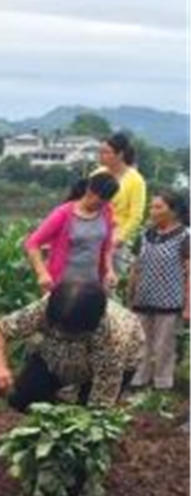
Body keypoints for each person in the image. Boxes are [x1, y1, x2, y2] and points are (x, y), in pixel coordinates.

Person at [0, 280, 144, 412]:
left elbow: (102, 402)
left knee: (87, 414)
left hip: (120, 357)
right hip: (53, 354)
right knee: (22, 401)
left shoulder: (112, 337)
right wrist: (0, 368)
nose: (60, 334)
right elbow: (0, 331)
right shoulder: (49, 307)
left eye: (68, 333)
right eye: (57, 329)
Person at [128, 190, 189, 391]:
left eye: (158, 207)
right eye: (151, 206)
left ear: (173, 211)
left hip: (170, 301)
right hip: (143, 298)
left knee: (164, 346)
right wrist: (131, 294)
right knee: (140, 343)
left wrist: (188, 305)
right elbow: (136, 267)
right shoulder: (145, 235)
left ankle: (162, 384)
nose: (152, 211)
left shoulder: (184, 237)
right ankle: (138, 379)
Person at [25, 172, 119, 292]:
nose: (101, 206)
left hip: (92, 283)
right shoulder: (63, 214)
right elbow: (32, 243)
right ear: (89, 192)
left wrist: (109, 270)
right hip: (62, 284)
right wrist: (42, 273)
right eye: (99, 203)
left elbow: (107, 247)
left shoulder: (106, 212)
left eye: (105, 203)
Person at [96, 132, 147, 270]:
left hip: (116, 238)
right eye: (100, 152)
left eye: (106, 152)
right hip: (93, 234)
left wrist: (119, 239)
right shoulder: (97, 174)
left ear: (120, 154)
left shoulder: (136, 180)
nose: (101, 156)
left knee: (111, 280)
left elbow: (136, 216)